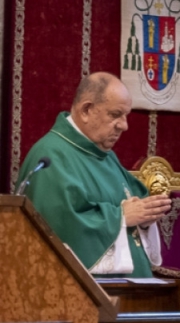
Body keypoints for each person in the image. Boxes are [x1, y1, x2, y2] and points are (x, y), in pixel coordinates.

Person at [17, 72, 170, 277]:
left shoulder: (103, 154)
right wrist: (121, 216)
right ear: (86, 110)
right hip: (89, 292)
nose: (124, 125)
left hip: (131, 290)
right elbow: (60, 227)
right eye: (115, 114)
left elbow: (132, 203)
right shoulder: (51, 157)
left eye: (126, 115)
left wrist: (145, 216)